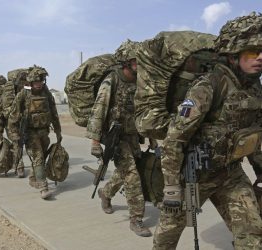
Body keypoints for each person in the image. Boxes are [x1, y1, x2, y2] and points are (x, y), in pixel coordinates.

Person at [153, 12, 262, 249]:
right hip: (194, 176)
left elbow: (253, 133)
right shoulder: (207, 86)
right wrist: (171, 187)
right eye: (253, 51)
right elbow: (174, 138)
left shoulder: (255, 89)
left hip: (230, 175)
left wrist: (260, 170)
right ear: (233, 54)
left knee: (253, 234)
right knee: (167, 236)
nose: (260, 58)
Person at [86, 40, 152, 237]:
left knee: (127, 171)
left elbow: (144, 109)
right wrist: (95, 141)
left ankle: (105, 193)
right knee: (131, 176)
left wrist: (151, 137)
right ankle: (136, 219)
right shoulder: (111, 81)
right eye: (136, 61)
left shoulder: (140, 82)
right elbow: (99, 111)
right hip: (115, 137)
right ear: (126, 62)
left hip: (132, 134)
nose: (140, 64)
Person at [8, 65, 62, 199]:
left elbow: (54, 112)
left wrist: (58, 130)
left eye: (41, 81)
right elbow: (13, 116)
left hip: (44, 131)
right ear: (31, 82)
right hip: (30, 132)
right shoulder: (23, 94)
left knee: (42, 156)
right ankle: (44, 187)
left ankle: (34, 177)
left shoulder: (46, 93)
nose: (39, 84)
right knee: (38, 157)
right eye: (36, 82)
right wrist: (14, 133)